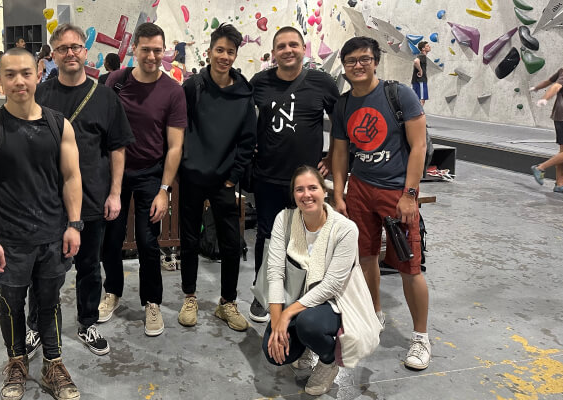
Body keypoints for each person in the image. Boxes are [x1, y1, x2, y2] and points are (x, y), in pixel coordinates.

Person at [0, 47, 83, 400]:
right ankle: (16, 362)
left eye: (26, 73)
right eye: (11, 74)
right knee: (12, 303)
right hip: (10, 239)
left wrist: (74, 225)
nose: (19, 81)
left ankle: (54, 363)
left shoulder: (59, 124)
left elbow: (71, 177)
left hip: (52, 234)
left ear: (38, 75)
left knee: (49, 301)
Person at [28, 23, 134, 358]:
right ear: (54, 55)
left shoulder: (105, 97)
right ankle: (36, 325)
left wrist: (115, 193)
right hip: (46, 201)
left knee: (89, 265)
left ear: (85, 52)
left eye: (76, 47)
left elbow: (118, 148)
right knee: (42, 268)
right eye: (63, 49)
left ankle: (86, 322)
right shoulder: (40, 95)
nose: (70, 53)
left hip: (91, 199)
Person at [331, 36, 431, 370]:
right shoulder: (344, 105)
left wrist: (410, 195)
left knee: (409, 266)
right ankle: (374, 314)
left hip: (396, 192)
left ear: (375, 61)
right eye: (351, 61)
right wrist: (339, 194)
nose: (357, 66)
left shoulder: (398, 94)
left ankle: (420, 337)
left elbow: (419, 147)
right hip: (360, 188)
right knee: (364, 257)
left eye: (364, 59)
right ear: (344, 67)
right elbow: (342, 153)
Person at [247, 26, 339, 323]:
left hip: (307, 182)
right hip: (268, 177)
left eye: (293, 45)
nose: (288, 50)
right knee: (266, 236)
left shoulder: (322, 83)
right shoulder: (259, 83)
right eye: (281, 46)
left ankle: (304, 295)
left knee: (309, 238)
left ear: (303, 49)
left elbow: (342, 124)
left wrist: (333, 156)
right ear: (273, 53)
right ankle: (262, 295)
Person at [100, 22, 186, 337]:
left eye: (157, 50)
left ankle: (152, 302)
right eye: (146, 49)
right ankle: (112, 291)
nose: (151, 56)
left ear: (164, 52)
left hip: (151, 174)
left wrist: (164, 190)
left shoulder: (173, 91)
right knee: (111, 238)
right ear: (134, 48)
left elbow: (175, 145)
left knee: (149, 242)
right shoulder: (115, 82)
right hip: (115, 174)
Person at [176, 24, 256, 332]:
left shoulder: (244, 94)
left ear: (236, 55)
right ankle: (190, 297)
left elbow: (248, 140)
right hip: (193, 177)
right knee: (189, 240)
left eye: (230, 52)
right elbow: (179, 130)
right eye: (219, 50)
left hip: (225, 181)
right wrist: (184, 168)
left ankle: (227, 302)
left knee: (232, 242)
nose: (224, 56)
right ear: (209, 52)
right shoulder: (192, 87)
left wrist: (232, 177)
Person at [261, 166, 359, 396]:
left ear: (324, 191)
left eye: (313, 188)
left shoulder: (345, 229)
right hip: (296, 296)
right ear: (293, 195)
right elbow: (275, 271)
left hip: (334, 302)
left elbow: (332, 285)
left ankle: (327, 360)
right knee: (275, 354)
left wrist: (287, 315)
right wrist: (277, 324)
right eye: (299, 189)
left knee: (308, 324)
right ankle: (304, 345)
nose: (306, 194)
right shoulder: (284, 219)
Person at [530, 63, 563, 193]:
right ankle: (540, 167)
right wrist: (545, 98)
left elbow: (549, 80)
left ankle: (560, 184)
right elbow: (556, 86)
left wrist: (537, 87)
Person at [412, 41, 430, 106]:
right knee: (422, 100)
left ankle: (416, 114)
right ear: (423, 49)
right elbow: (416, 61)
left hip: (416, 81)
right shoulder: (422, 55)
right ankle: (420, 115)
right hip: (420, 81)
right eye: (427, 46)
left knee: (416, 99)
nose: (429, 47)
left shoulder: (421, 56)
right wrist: (421, 71)